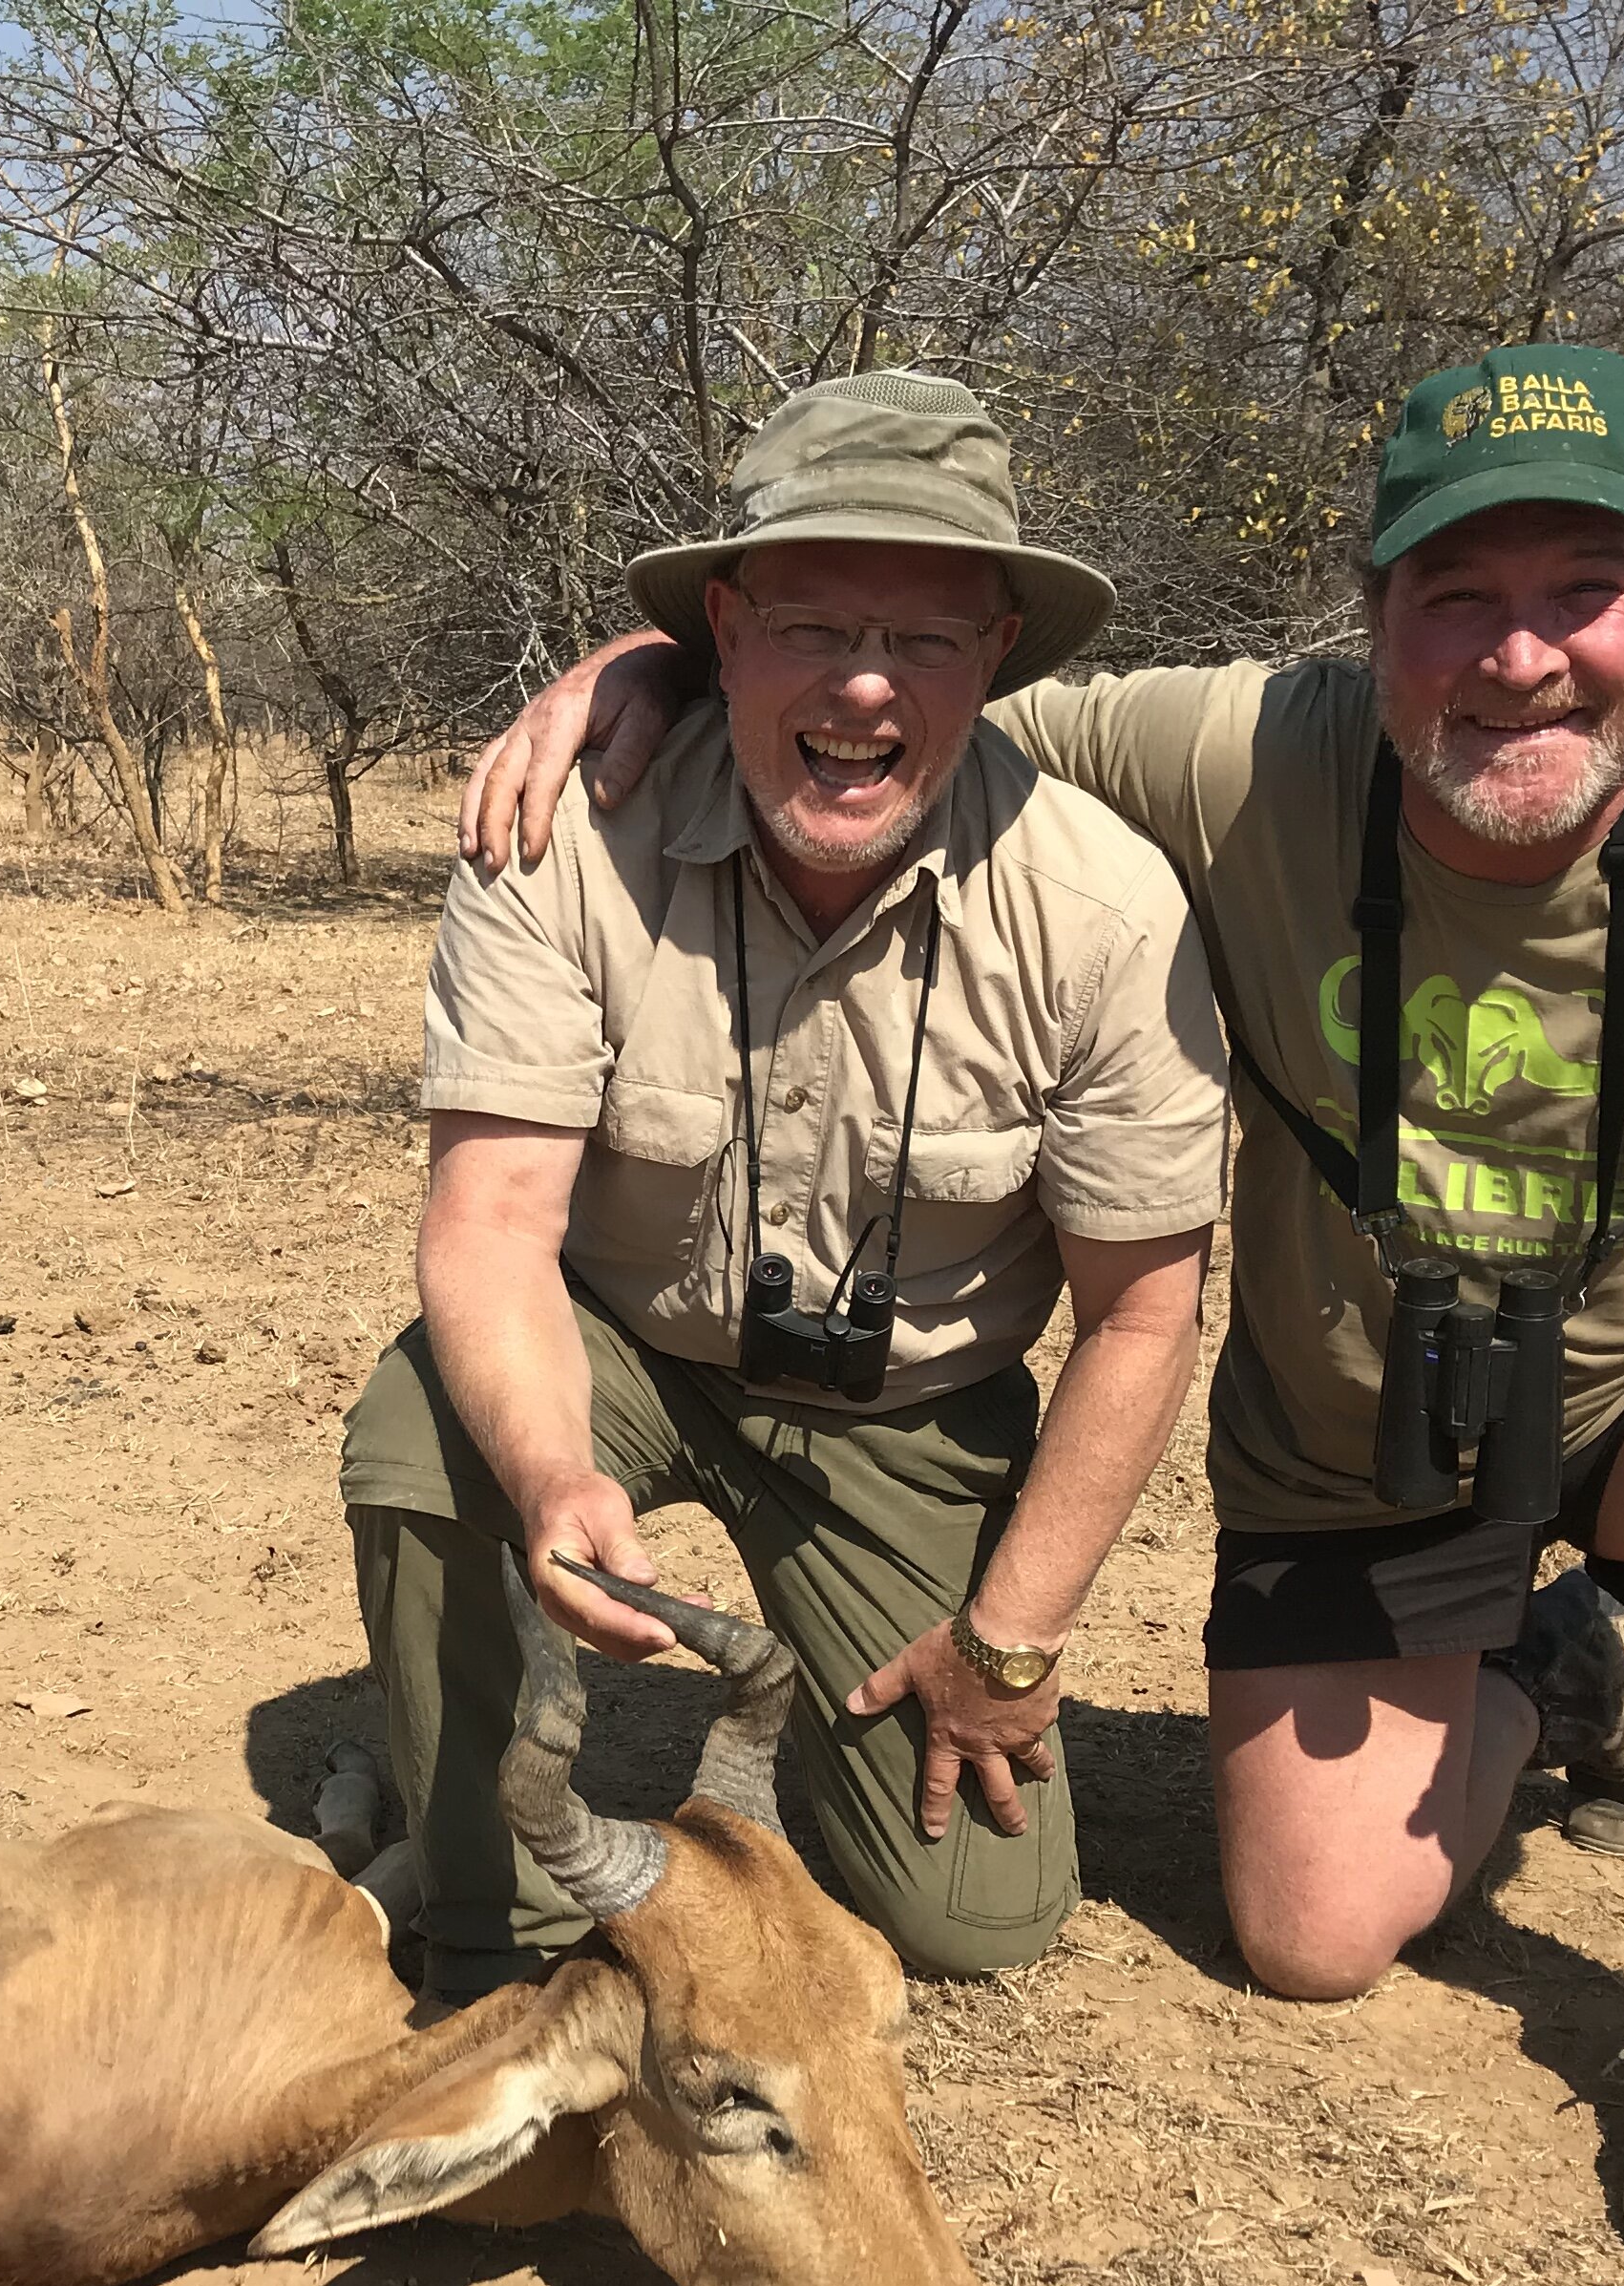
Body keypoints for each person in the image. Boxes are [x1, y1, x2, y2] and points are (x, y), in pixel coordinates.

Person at [458, 343, 1624, 2262]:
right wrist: (657, 668)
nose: (1518, 654)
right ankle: (1565, 1669)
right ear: (1372, 619)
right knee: (1308, 1942)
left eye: (1584, 589)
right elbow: (906, 679)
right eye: (1456, 594)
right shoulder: (1240, 754)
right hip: (1360, 1445)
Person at [342, 370, 1228, 1995]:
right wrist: (550, 1474)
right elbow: (487, 1227)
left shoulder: (1103, 907)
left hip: (911, 1412)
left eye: (927, 640)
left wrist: (1010, 1638)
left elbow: (1142, 1315)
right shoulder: (559, 842)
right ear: (723, 636)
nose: (866, 685)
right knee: (425, 1436)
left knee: (978, 1917)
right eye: (812, 626)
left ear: (998, 659)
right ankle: (495, 1905)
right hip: (626, 1346)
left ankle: (830, 1726)